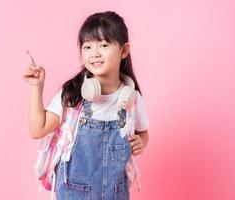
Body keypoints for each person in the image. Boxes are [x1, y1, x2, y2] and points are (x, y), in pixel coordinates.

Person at [23, 11, 149, 200]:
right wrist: (37, 87)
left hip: (116, 194)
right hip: (73, 194)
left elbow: (143, 132)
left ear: (123, 50)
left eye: (104, 45)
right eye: (87, 46)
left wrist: (142, 142)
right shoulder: (72, 95)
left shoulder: (131, 100)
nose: (94, 53)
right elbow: (37, 130)